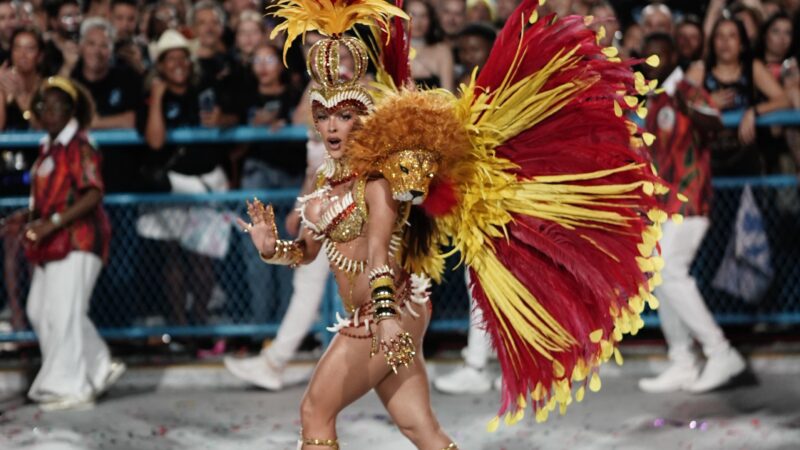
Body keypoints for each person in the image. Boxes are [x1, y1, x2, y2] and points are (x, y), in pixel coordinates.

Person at [244, 0, 670, 445]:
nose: (332, 128)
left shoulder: (378, 182)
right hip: (390, 313)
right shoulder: (323, 179)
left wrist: (386, 320)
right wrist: (273, 249)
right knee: (418, 426)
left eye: (344, 117)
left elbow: (376, 256)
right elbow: (309, 253)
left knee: (315, 411)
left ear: (362, 120)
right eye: (324, 117)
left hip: (383, 314)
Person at [0, 76, 125, 411]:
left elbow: (93, 192)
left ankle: (71, 386)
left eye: (56, 104)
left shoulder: (79, 145)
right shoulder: (47, 147)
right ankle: (98, 364)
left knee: (64, 312)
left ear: (71, 109)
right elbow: (46, 198)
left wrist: (50, 223)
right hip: (52, 239)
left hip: (80, 238)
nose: (48, 110)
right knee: (39, 309)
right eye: (42, 104)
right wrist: (26, 217)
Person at [637, 32, 749, 394]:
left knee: (671, 270)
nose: (653, 61)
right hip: (663, 204)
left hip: (690, 199)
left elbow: (713, 123)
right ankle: (683, 361)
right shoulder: (654, 100)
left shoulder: (685, 88)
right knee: (659, 275)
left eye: (660, 54)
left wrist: (691, 105)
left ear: (673, 56)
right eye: (648, 55)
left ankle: (720, 351)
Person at [685, 17, 789, 176]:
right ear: (712, 42)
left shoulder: (753, 68)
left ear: (741, 44)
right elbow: (674, 106)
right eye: (720, 36)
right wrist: (708, 103)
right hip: (707, 162)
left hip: (746, 159)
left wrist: (754, 111)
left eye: (732, 36)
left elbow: (785, 99)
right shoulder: (700, 71)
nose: (725, 42)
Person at [406, 0, 454, 91]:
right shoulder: (393, 51)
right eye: (412, 15)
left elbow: (449, 94)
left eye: (423, 16)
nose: (418, 22)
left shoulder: (442, 51)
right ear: (402, 19)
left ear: (430, 20)